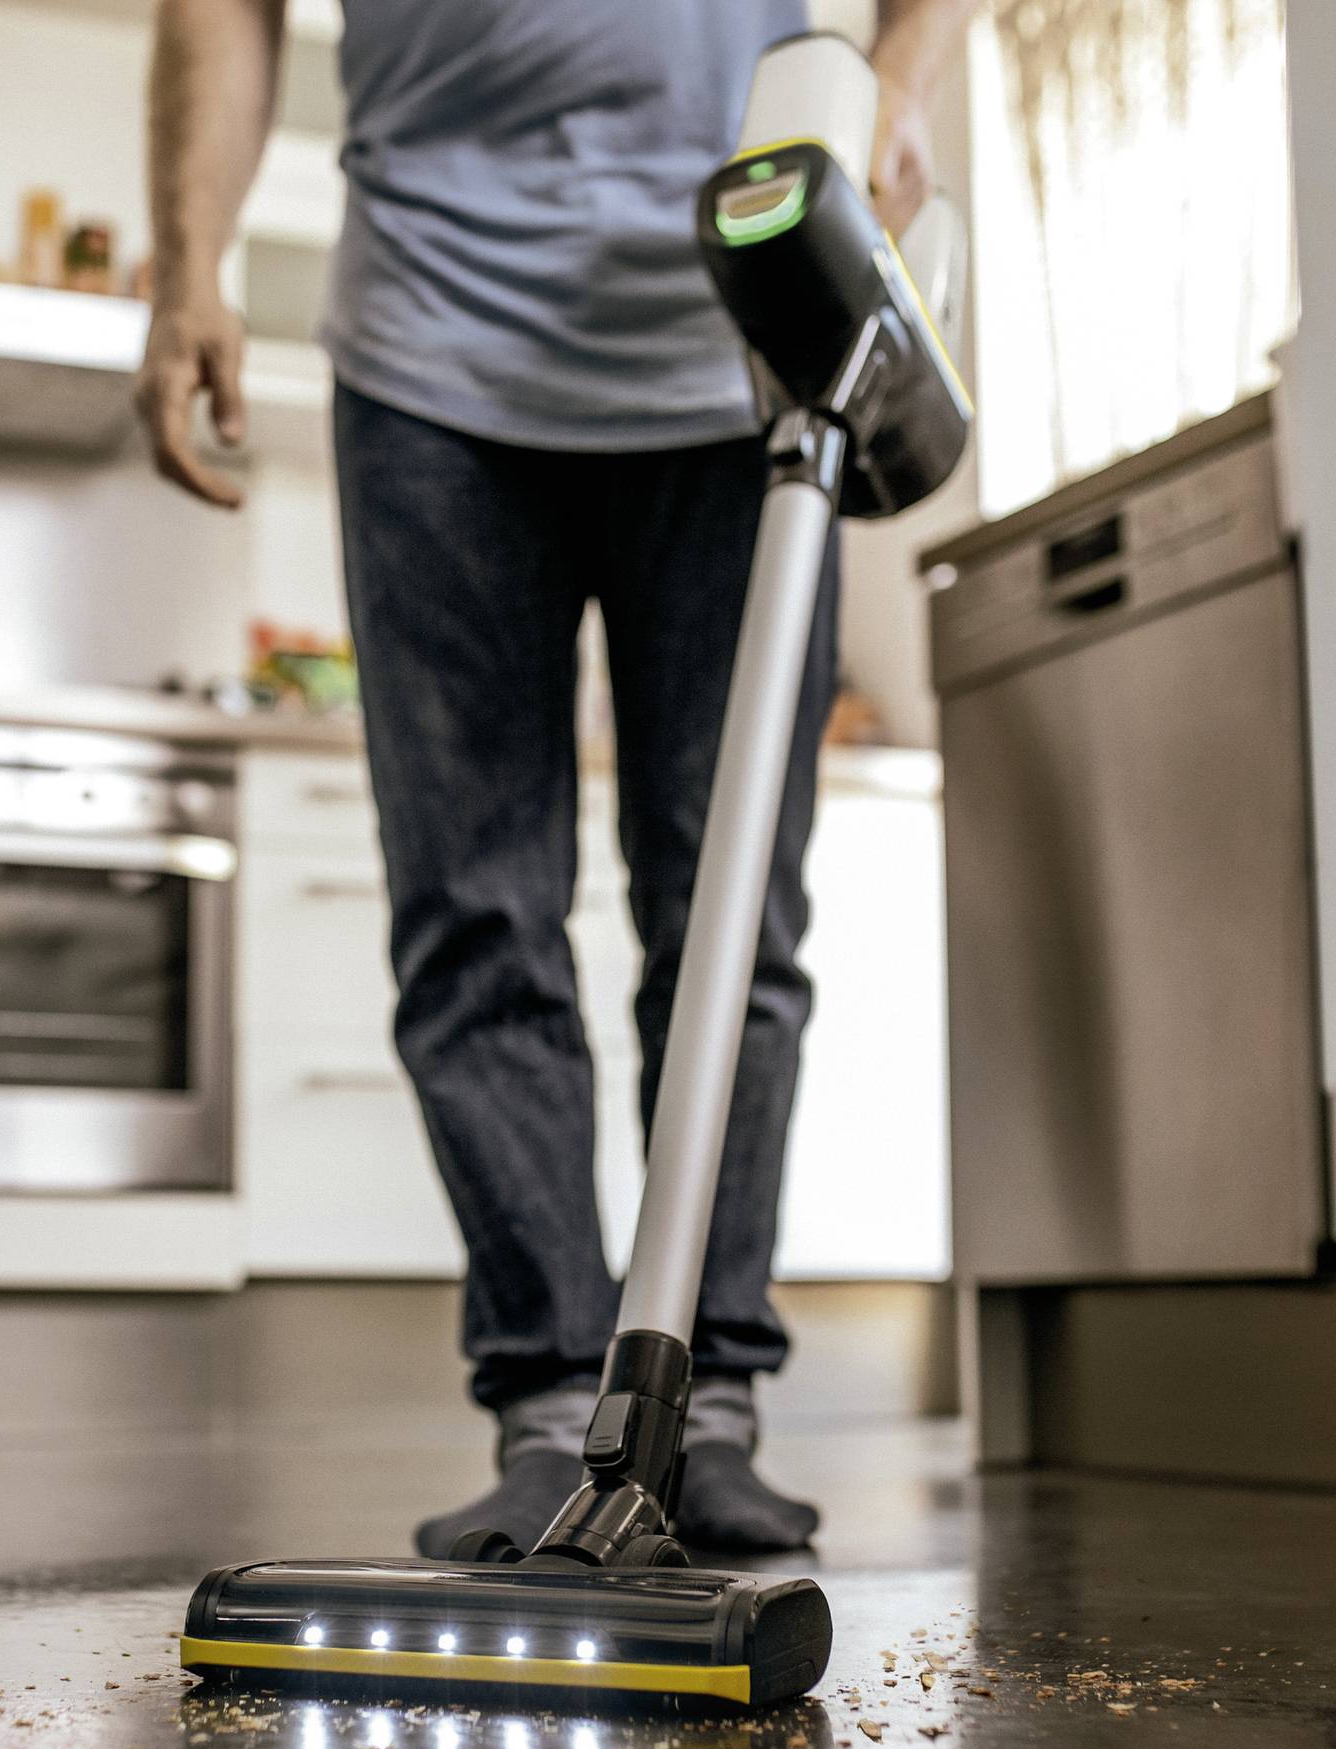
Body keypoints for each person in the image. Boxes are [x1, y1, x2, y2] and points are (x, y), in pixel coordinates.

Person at [137, 0, 975, 1556]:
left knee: (730, 919)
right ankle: (551, 1420)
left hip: (743, 345)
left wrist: (904, 86)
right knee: (472, 918)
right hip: (429, 362)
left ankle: (704, 1405)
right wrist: (187, 263)